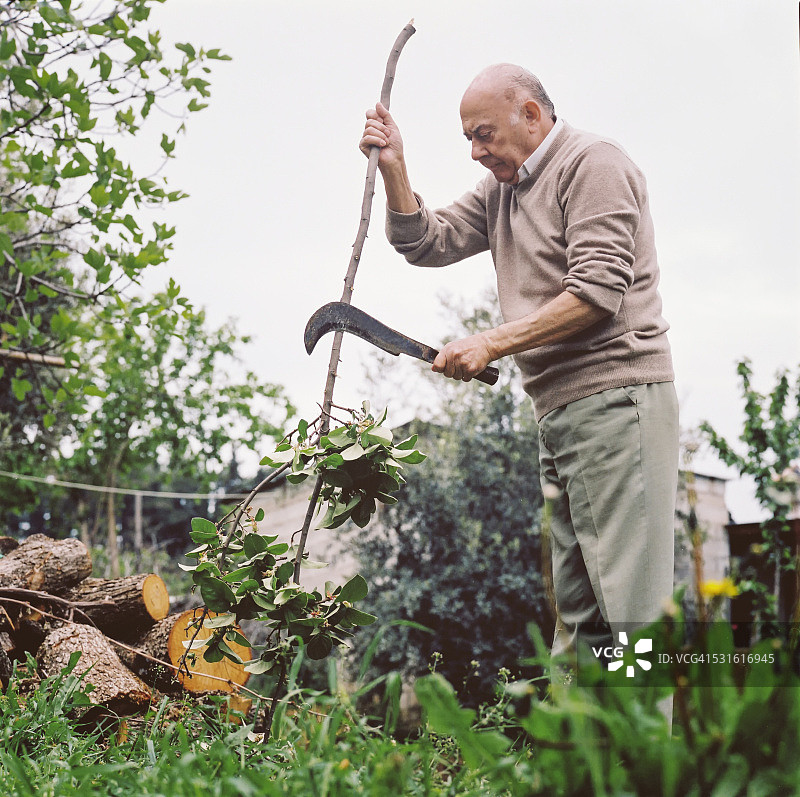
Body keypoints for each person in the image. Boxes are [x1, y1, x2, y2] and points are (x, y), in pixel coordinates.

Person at [359, 63, 679, 677]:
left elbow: (596, 292)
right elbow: (426, 241)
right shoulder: (502, 190)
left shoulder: (593, 164)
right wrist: (395, 167)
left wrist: (490, 342)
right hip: (558, 412)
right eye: (468, 139)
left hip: (618, 401)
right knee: (580, 622)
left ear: (530, 114)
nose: (476, 152)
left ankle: (645, 743)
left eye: (484, 135)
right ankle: (575, 741)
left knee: (633, 621)